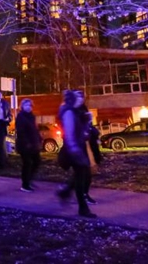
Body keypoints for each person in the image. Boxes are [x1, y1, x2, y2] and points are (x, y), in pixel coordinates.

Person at [55, 89, 96, 217]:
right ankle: (82, 208)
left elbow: (82, 131)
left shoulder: (76, 112)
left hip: (77, 148)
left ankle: (66, 192)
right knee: (81, 175)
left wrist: (87, 122)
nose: (81, 100)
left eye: (82, 98)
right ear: (72, 99)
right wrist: (75, 149)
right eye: (78, 98)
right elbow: (70, 134)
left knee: (81, 175)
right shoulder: (68, 112)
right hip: (72, 150)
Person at [15, 98, 41, 192]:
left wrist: (38, 138)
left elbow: (34, 129)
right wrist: (26, 142)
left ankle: (29, 180)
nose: (28, 107)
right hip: (24, 144)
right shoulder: (21, 116)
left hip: (33, 143)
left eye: (30, 105)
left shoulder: (31, 116)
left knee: (37, 161)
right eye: (26, 105)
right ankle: (25, 184)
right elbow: (21, 131)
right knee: (27, 163)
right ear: (22, 106)